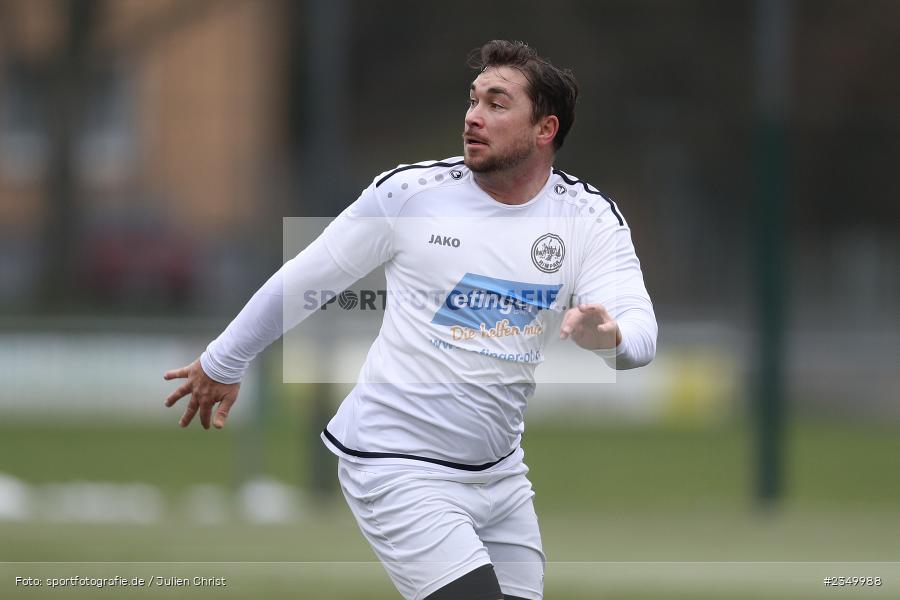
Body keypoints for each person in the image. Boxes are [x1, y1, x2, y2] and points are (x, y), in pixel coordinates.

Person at [164, 40, 656, 600]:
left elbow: (640, 329)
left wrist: (609, 338)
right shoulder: (411, 194)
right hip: (397, 466)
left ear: (545, 129)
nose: (473, 116)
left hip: (500, 476)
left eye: (497, 104)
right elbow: (307, 279)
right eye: (472, 101)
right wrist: (225, 359)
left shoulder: (587, 216)